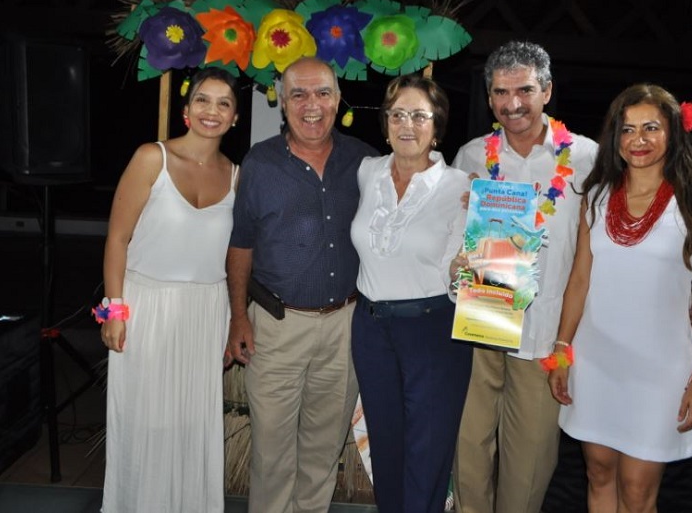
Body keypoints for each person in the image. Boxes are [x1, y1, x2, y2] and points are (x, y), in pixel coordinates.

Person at [547, 83, 692, 512]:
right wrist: (561, 350)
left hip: (660, 368)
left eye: (651, 127)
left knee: (636, 489)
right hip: (595, 360)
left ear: (674, 132)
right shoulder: (596, 197)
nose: (639, 139)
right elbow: (580, 279)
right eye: (628, 129)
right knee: (598, 472)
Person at [226, 56, 378, 513]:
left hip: (344, 327)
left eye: (323, 93)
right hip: (276, 327)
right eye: (299, 94)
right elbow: (240, 245)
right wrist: (238, 318)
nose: (312, 105)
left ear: (338, 99)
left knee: (322, 451)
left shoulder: (365, 161)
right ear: (282, 101)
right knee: (271, 454)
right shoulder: (260, 163)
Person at [451, 40, 598, 513]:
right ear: (489, 97)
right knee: (468, 448)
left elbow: (604, 248)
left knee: (531, 461)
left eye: (524, 91)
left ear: (547, 91)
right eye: (500, 92)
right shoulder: (471, 156)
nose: (512, 103)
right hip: (481, 322)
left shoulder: (587, 158)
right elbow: (448, 238)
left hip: (544, 331)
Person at [99, 67, 241, 513]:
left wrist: (231, 323)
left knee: (192, 426)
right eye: (203, 100)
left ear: (235, 117)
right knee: (145, 423)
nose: (211, 111)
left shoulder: (237, 176)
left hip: (206, 313)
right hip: (147, 309)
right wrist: (113, 311)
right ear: (186, 109)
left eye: (223, 103)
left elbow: (234, 258)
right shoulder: (151, 158)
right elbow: (117, 239)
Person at [350, 74, 473, 513]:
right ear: (385, 124)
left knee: (428, 452)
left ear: (436, 127)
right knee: (385, 448)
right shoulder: (367, 172)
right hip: (370, 331)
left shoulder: (462, 186)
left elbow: (465, 267)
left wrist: (466, 268)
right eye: (397, 114)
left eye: (420, 116)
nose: (407, 125)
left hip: (433, 332)